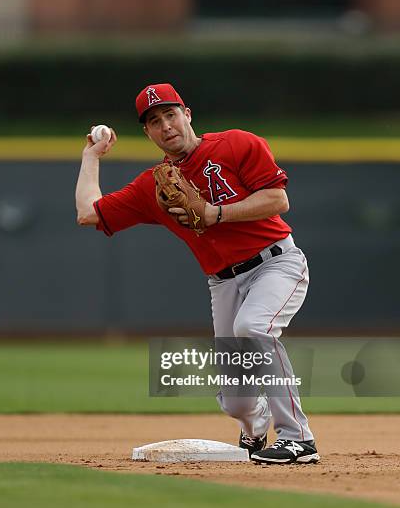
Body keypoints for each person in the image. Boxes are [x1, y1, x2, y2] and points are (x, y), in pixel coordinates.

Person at [75, 83, 320, 465]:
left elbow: (278, 199)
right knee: (236, 401)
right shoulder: (152, 187)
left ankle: (298, 439)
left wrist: (213, 213)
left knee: (254, 327)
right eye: (154, 121)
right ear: (147, 133)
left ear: (187, 114)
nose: (165, 125)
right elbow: (88, 213)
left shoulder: (237, 144)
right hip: (222, 282)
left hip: (276, 263)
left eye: (170, 115)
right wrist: (91, 157)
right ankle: (254, 431)